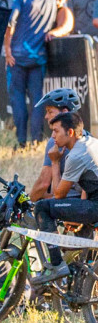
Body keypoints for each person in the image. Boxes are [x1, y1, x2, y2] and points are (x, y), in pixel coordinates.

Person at [34, 111, 98, 285]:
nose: (52, 136)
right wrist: (77, 214)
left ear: (70, 132)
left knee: (42, 207)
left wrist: (55, 162)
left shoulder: (75, 156)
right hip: (93, 200)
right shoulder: (91, 142)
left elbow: (59, 195)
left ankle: (57, 265)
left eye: (56, 131)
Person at [5, 0, 56, 146]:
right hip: (39, 57)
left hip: (17, 57)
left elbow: (10, 22)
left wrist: (7, 50)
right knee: (37, 100)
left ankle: (21, 140)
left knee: (18, 98)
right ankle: (36, 140)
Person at [30, 88, 85, 202]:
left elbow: (43, 183)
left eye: (50, 112)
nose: (46, 116)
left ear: (64, 112)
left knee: (40, 205)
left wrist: (28, 200)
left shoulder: (56, 141)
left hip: (72, 200)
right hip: (86, 199)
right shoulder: (86, 135)